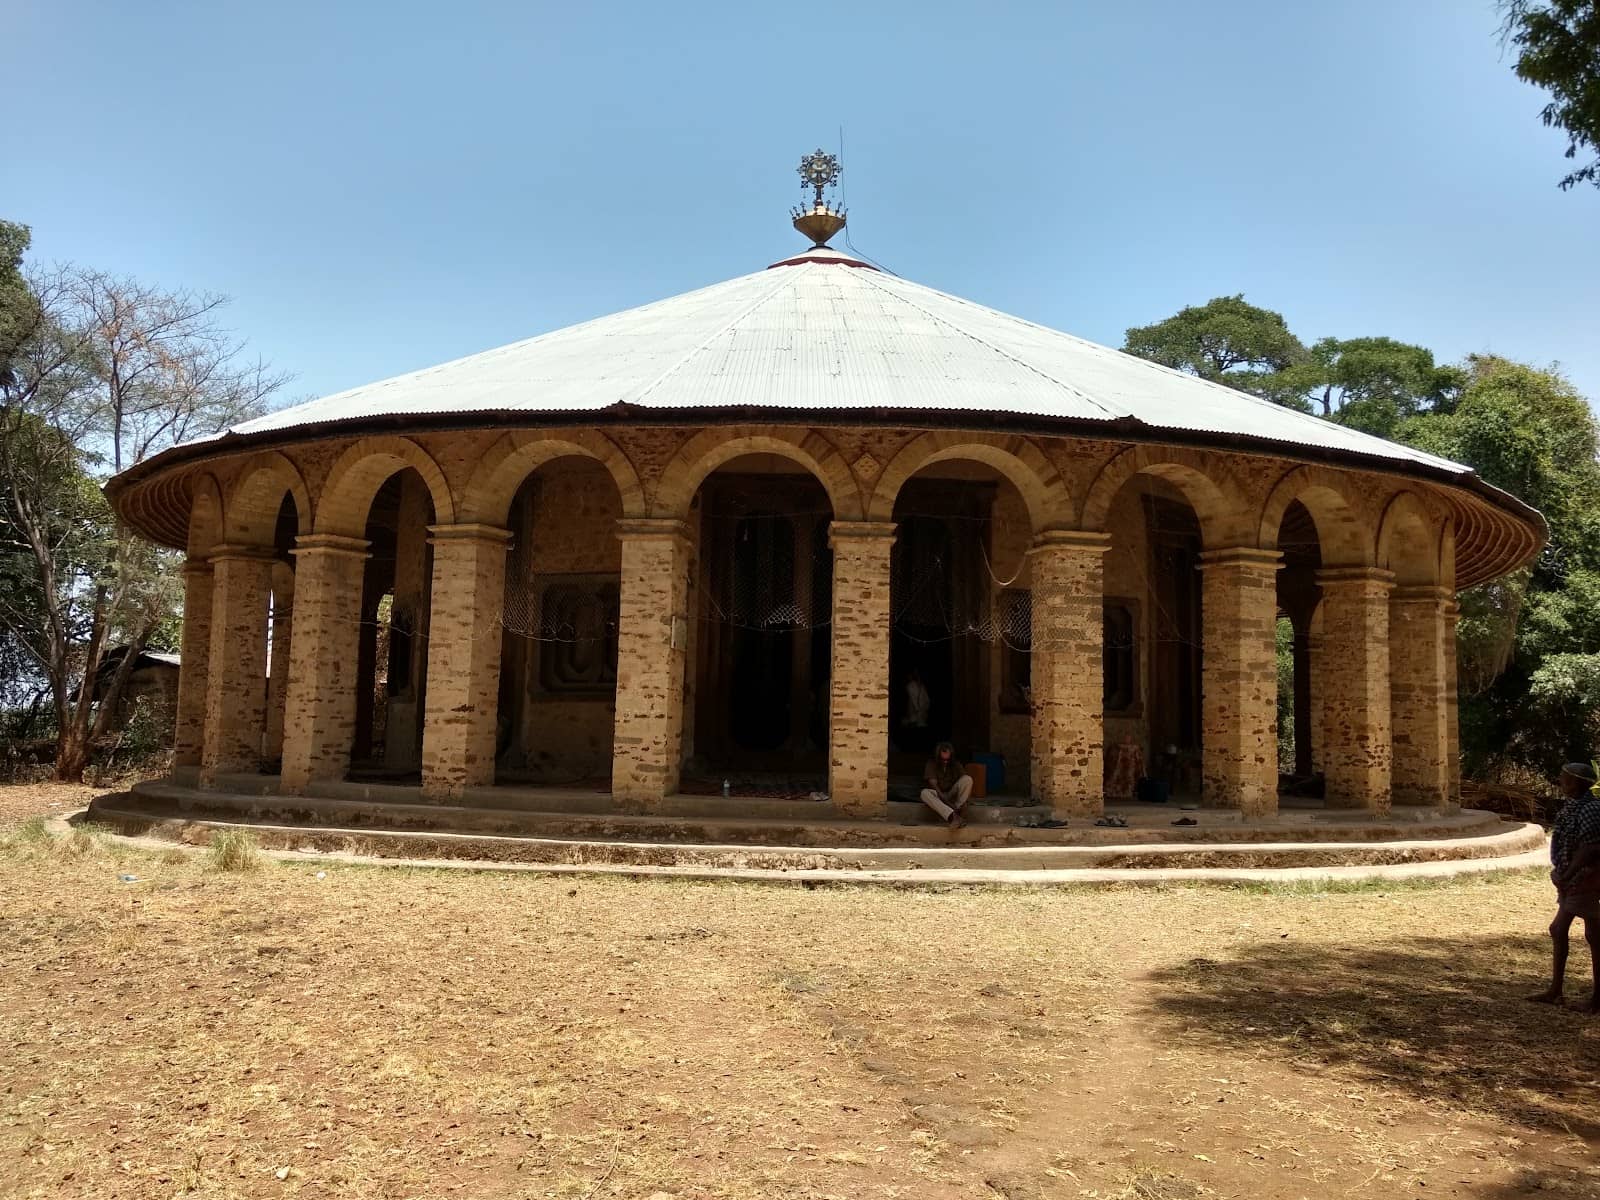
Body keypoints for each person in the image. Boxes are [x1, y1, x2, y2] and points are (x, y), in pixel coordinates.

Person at [1529, 761, 1600, 1011]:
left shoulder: (1590, 809)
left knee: (1590, 933)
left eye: (1566, 779)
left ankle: (1595, 999)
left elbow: (1590, 847)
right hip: (1571, 878)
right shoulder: (1573, 807)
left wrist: (1568, 873)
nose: (1562, 782)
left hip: (1586, 878)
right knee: (1561, 930)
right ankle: (1556, 990)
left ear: (1579, 783)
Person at [921, 741, 972, 829]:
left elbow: (964, 783)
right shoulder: (931, 763)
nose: (945, 762)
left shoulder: (956, 764)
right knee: (924, 793)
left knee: (967, 779)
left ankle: (958, 810)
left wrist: (963, 803)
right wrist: (948, 803)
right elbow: (934, 785)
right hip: (938, 794)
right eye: (942, 759)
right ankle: (952, 816)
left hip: (952, 794)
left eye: (947, 760)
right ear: (938, 757)